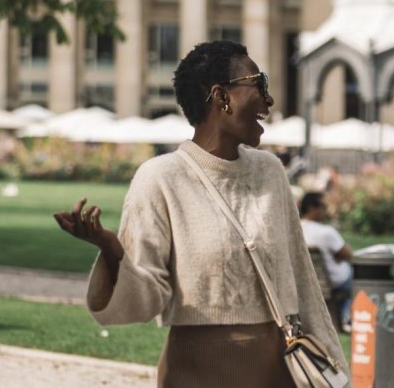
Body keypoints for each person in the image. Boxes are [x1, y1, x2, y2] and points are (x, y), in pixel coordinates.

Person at [53, 40, 347, 386]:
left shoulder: (270, 172)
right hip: (196, 373)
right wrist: (111, 248)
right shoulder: (160, 178)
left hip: (276, 372)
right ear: (222, 97)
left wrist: (339, 372)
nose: (268, 101)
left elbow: (303, 281)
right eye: (259, 84)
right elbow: (145, 300)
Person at [298, 192, 354, 329]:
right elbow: (348, 254)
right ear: (311, 207)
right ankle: (347, 316)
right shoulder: (326, 232)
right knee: (353, 274)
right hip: (332, 283)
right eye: (323, 206)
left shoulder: (294, 229)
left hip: (303, 282)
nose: (325, 210)